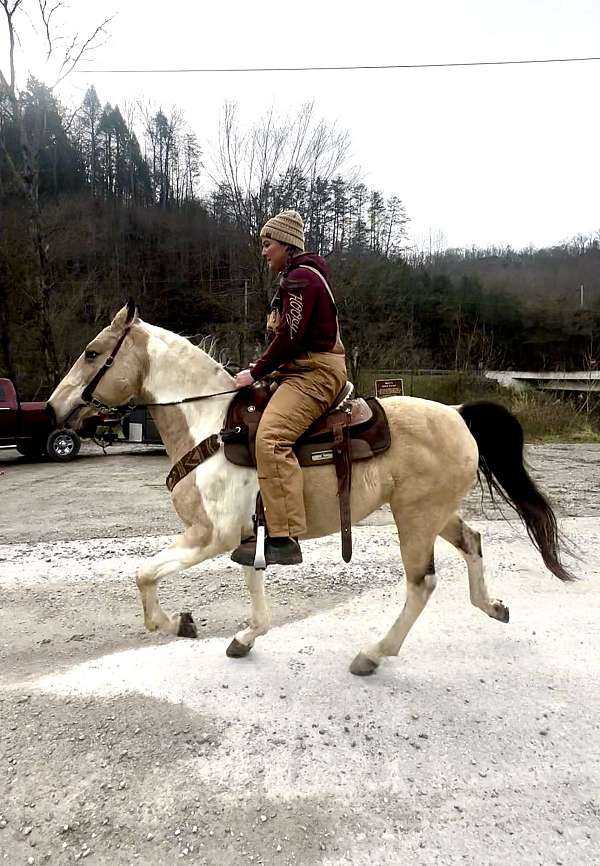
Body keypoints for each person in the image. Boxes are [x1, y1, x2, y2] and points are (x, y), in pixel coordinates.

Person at [231, 209, 347, 567]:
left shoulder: (301, 280)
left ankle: (284, 537)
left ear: (286, 245)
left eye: (268, 245)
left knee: (271, 438)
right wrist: (261, 370)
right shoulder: (300, 278)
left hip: (314, 373)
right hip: (298, 371)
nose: (264, 252)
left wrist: (256, 371)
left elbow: (291, 337)